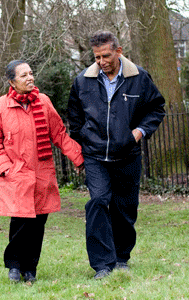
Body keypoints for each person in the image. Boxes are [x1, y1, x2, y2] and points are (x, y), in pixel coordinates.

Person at [67, 30, 165, 280]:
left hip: (128, 155)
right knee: (98, 202)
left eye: (106, 56)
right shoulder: (83, 81)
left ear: (118, 51)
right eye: (97, 57)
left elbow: (156, 108)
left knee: (124, 209)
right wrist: (83, 143)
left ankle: (121, 258)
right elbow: (75, 118)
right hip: (95, 156)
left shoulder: (139, 78)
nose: (101, 62)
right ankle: (102, 264)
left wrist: (139, 132)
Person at [0, 60, 84, 283]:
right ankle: (14, 265)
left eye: (31, 73)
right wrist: (5, 168)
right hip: (16, 175)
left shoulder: (44, 102)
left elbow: (59, 134)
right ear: (12, 81)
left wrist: (79, 158)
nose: (30, 78)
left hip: (42, 174)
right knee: (20, 224)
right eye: (23, 75)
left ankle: (30, 268)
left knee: (38, 224)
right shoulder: (0, 106)